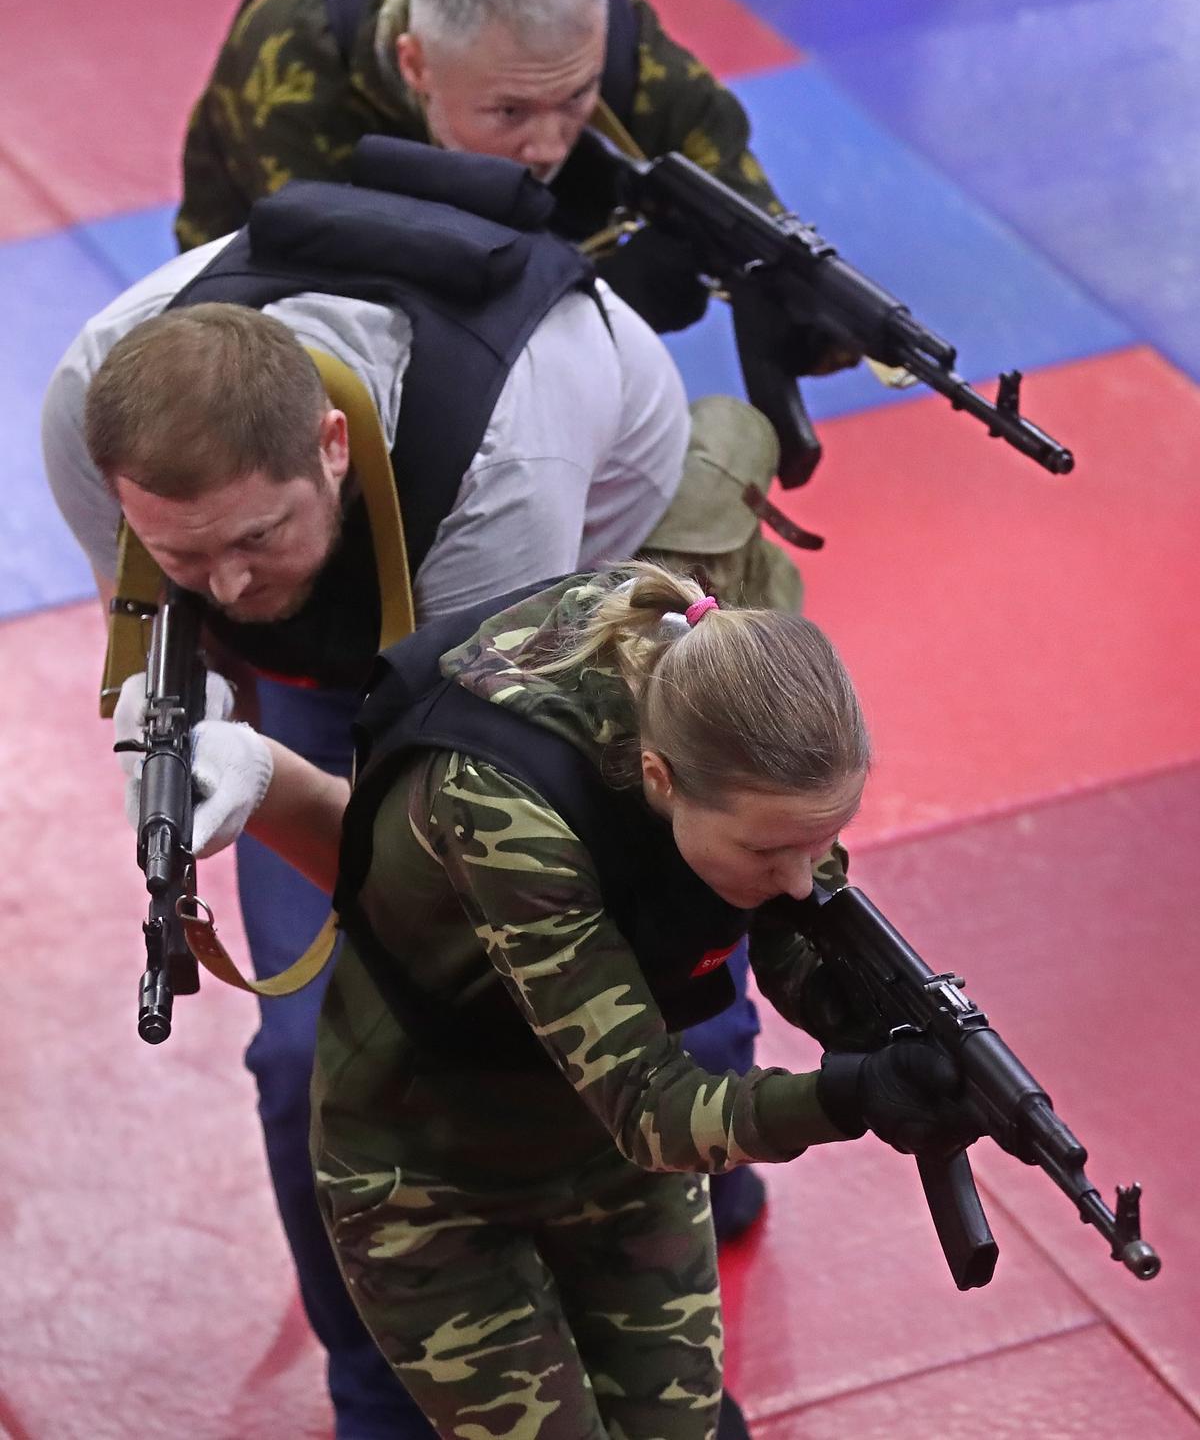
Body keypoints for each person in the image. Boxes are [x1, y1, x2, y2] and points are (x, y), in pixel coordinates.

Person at [42, 155, 777, 1438]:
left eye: (255, 538)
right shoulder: (85, 414)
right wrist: (182, 736)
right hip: (367, 619)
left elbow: (464, 823)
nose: (219, 580)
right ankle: (381, 1396)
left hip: (582, 597)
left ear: (330, 448)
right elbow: (175, 626)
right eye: (182, 551)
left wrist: (274, 782)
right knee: (298, 1059)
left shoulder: (505, 466)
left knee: (624, 992)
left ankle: (701, 1159)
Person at [166, 560, 980, 1439]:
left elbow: (784, 923)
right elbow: (656, 1112)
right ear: (662, 779)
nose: (799, 876)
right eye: (772, 849)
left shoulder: (731, 727)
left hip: (603, 1153)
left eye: (825, 838)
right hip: (431, 1177)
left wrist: (862, 1012)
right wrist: (852, 1092)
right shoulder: (508, 813)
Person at [176, 0, 842, 365]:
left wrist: (798, 304)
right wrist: (595, 298)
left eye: (576, 97)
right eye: (511, 111)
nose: (551, 145)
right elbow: (362, 329)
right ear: (415, 64)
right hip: (255, 313)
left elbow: (733, 188)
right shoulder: (294, 65)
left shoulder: (605, 40)